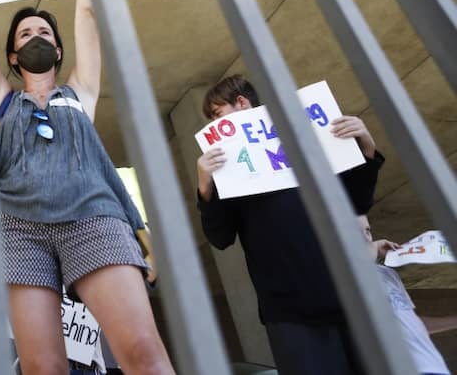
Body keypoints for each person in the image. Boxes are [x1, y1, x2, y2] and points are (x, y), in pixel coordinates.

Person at [0, 0, 174, 375]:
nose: (35, 37)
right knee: (42, 367)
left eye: (44, 32)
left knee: (142, 351)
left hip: (93, 218)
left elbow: (87, 11)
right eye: (25, 34)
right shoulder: (0, 100)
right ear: (13, 56)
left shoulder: (80, 91)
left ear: (58, 50)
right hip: (20, 232)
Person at [195, 75, 384, 375]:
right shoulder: (230, 172)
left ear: (241, 103)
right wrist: (206, 187)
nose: (215, 127)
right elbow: (220, 237)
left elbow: (358, 202)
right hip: (290, 312)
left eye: (218, 115)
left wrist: (366, 146)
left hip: (351, 295)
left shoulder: (307, 142)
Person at [357, 215, 455, 375]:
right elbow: (355, 271)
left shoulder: (388, 274)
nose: (366, 238)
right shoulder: (341, 276)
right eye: (355, 231)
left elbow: (413, 324)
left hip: (434, 368)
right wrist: (372, 250)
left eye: (367, 231)